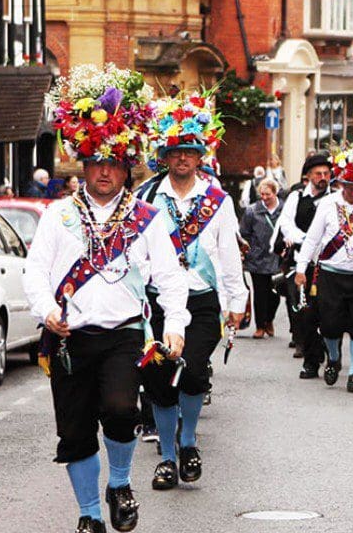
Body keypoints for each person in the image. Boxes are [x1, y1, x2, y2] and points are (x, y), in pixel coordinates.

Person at [24, 67, 188, 533]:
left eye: (113, 164)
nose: (103, 172)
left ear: (127, 168)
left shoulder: (147, 220)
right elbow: (35, 273)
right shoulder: (58, 216)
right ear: (82, 164)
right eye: (96, 162)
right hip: (70, 338)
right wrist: (47, 309)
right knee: (74, 433)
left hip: (123, 335)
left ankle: (119, 483)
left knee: (121, 411)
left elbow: (171, 278)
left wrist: (175, 325)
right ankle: (90, 520)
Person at [137, 95, 246, 492]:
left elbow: (229, 253)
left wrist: (237, 301)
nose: (183, 158)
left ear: (201, 156)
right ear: (164, 155)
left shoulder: (218, 201)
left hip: (201, 300)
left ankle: (187, 442)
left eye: (190, 151)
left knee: (195, 370)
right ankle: (167, 457)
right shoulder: (146, 199)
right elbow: (135, 251)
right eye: (176, 151)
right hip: (157, 301)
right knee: (159, 379)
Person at [294, 148, 353, 393]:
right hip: (330, 274)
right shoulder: (327, 204)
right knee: (329, 324)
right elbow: (312, 239)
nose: (352, 192)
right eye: (348, 186)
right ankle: (334, 358)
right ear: (341, 183)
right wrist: (301, 268)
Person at [277, 152, 332, 371]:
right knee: (304, 311)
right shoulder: (296, 197)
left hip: (327, 263)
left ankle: (329, 353)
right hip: (301, 262)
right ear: (308, 176)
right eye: (318, 173)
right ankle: (311, 360)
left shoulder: (334, 199)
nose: (323, 177)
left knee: (327, 312)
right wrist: (307, 240)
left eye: (326, 173)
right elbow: (286, 225)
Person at [241, 178, 283, 339]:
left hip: (277, 256)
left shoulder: (284, 209)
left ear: (275, 193)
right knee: (260, 293)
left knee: (275, 293)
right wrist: (248, 250)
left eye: (268, 194)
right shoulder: (252, 211)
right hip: (257, 257)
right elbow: (244, 232)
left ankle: (269, 319)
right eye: (262, 194)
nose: (264, 197)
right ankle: (260, 326)